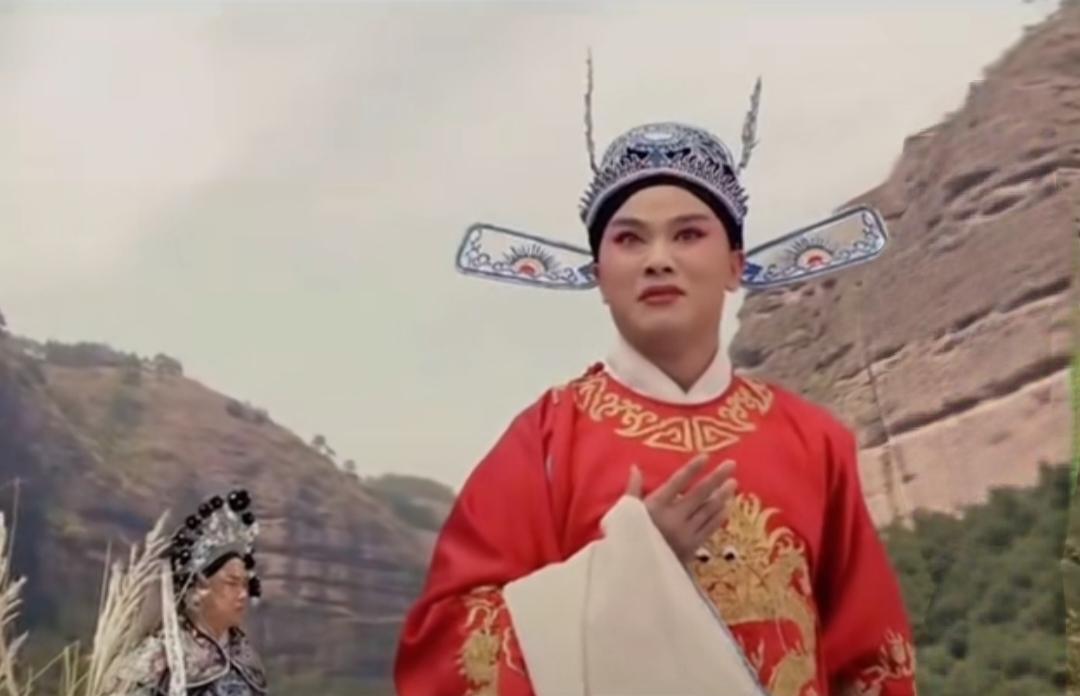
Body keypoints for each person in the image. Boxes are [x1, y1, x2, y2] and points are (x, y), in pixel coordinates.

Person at [395, 84, 917, 696]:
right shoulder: (544, 441)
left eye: (689, 235)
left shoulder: (814, 442)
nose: (658, 260)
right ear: (599, 276)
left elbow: (874, 661)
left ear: (735, 265)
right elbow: (445, 654)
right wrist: (633, 568)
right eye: (629, 239)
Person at [103, 489, 268, 696]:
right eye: (231, 583)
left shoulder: (247, 662)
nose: (243, 594)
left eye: (245, 585)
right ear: (199, 588)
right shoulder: (157, 660)